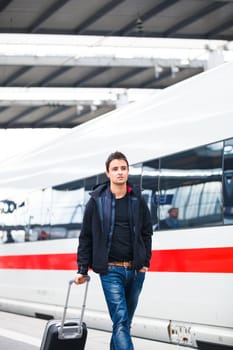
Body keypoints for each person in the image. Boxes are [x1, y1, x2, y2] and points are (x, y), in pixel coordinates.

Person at [74, 151, 153, 350]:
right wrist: (82, 269)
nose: (120, 172)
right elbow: (86, 237)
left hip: (135, 271)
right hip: (110, 271)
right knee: (120, 320)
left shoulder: (137, 200)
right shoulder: (96, 201)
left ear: (128, 171)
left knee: (123, 323)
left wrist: (145, 264)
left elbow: (146, 233)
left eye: (123, 168)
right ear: (107, 173)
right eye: (115, 169)